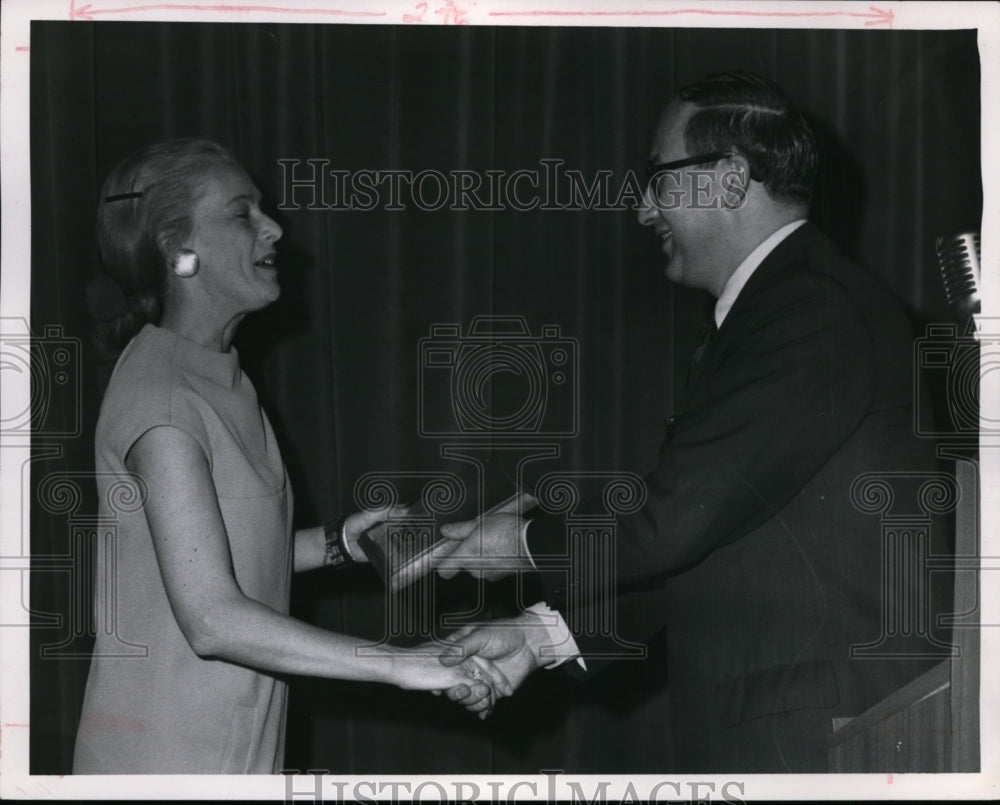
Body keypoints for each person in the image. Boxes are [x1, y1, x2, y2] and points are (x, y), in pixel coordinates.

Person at [434, 72, 951, 771]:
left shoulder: (809, 312)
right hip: (797, 731)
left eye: (658, 178)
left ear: (731, 181)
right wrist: (538, 637)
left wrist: (524, 542)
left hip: (820, 740)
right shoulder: (784, 309)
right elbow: (712, 545)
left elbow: (674, 520)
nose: (645, 209)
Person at [74, 139, 507, 774]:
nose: (274, 227)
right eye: (241, 213)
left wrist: (339, 545)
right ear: (176, 250)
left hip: (235, 743)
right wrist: (401, 663)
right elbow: (212, 618)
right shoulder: (162, 403)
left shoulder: (220, 375)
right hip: (163, 758)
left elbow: (209, 551)